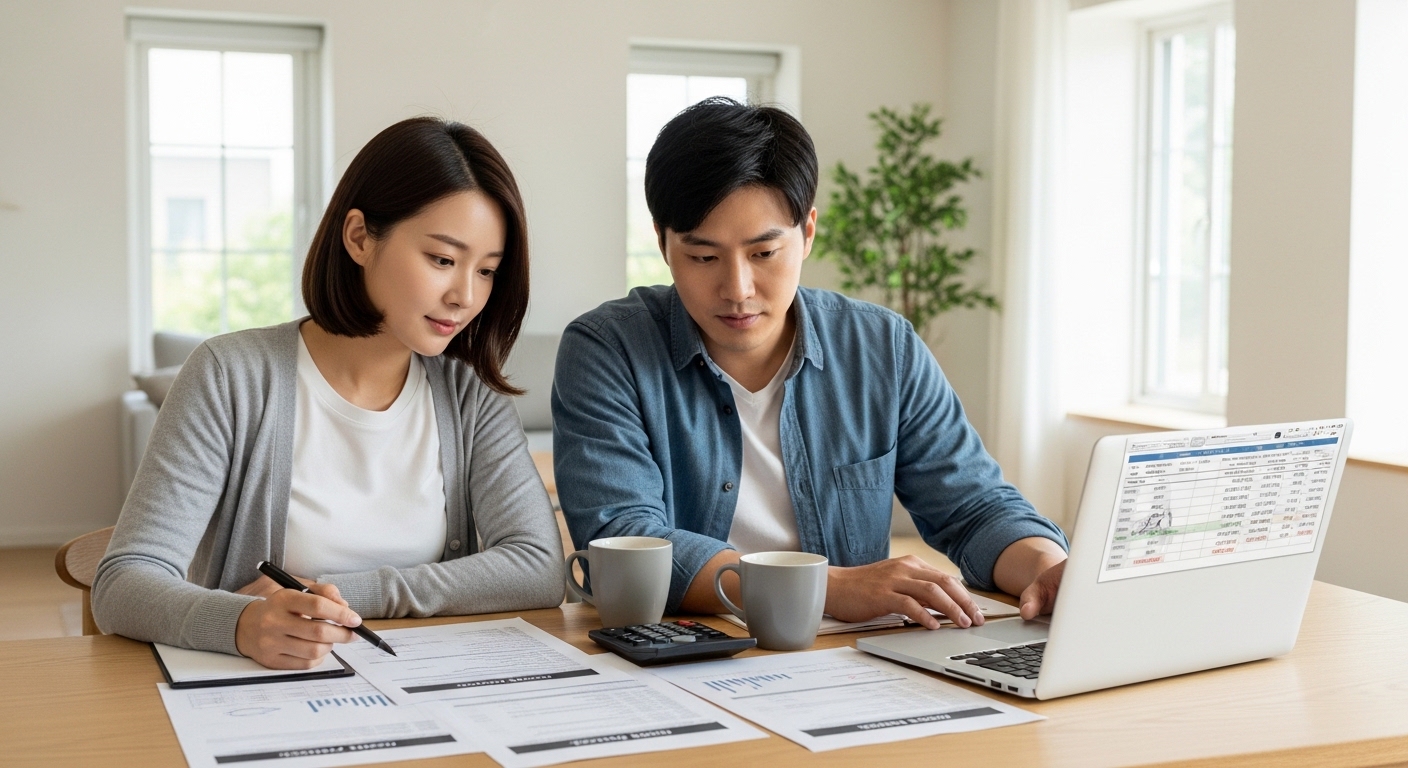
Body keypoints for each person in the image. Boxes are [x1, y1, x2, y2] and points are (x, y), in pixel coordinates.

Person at [552, 98, 1068, 629]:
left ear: (808, 232)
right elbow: (629, 539)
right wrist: (826, 588)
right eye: (703, 257)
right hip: (682, 654)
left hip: (847, 661)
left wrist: (1048, 568)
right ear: (663, 243)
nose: (737, 289)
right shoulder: (607, 350)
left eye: (764, 253)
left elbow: (974, 508)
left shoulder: (882, 348)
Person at [94, 117, 563, 668]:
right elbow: (123, 583)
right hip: (261, 691)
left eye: (486, 271)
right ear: (360, 237)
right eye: (442, 259)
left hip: (418, 683)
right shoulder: (230, 375)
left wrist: (342, 595)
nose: (464, 295)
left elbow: (538, 566)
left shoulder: (469, 397)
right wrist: (241, 622)